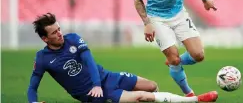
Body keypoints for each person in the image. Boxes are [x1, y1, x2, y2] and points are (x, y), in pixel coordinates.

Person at [27, 13, 218, 103]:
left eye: (59, 29)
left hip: (105, 78)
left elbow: (90, 62)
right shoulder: (43, 59)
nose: (60, 34)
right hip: (93, 94)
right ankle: (195, 100)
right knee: (142, 97)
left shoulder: (74, 39)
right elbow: (32, 87)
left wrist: (97, 82)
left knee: (151, 86)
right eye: (54, 33)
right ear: (45, 38)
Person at [134, 0, 218, 97]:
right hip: (157, 18)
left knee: (198, 55)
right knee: (174, 57)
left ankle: (174, 63)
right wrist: (147, 23)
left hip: (179, 14)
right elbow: (137, 0)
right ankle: (189, 94)